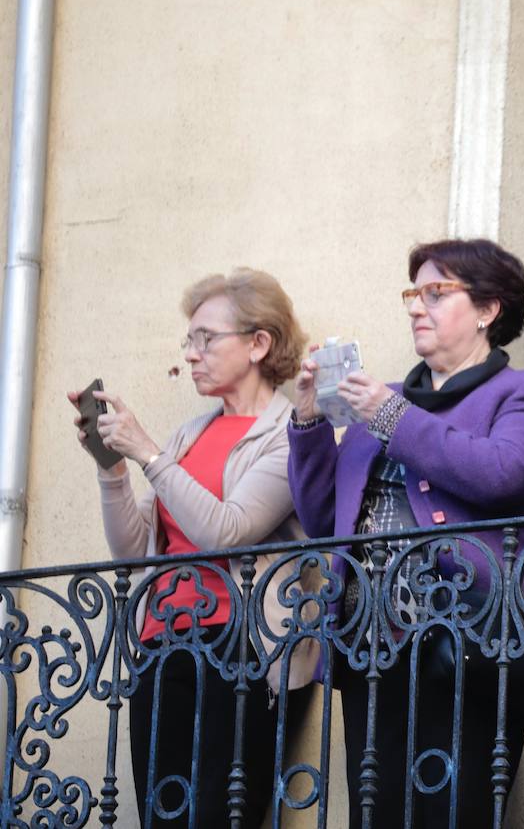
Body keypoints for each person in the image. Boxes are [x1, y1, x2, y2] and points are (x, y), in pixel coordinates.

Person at [287, 238, 524, 829]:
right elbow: (321, 521)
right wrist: (308, 422)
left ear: (489, 310)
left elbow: (504, 473)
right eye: (415, 293)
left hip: (472, 636)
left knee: (454, 811)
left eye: (437, 293)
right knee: (377, 814)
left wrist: (392, 417)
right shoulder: (376, 406)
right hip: (371, 644)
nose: (417, 307)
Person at [71, 268, 316, 829]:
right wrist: (112, 468)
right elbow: (135, 554)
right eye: (190, 340)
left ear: (259, 343)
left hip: (242, 650)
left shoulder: (287, 435)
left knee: (216, 816)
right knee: (163, 817)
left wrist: (149, 454)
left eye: (206, 338)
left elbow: (226, 531)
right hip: (161, 645)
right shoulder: (189, 435)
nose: (191, 354)